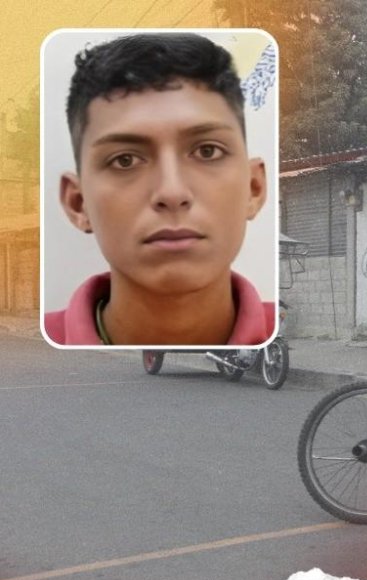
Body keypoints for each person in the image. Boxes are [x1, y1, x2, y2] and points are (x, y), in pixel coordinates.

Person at [43, 32, 272, 346]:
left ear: (253, 188)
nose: (172, 192)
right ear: (78, 203)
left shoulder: (286, 340)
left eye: (207, 151)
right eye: (125, 160)